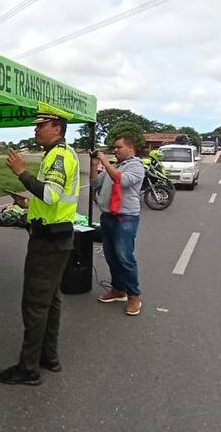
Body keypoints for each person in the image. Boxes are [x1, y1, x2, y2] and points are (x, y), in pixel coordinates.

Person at [0, 102, 80, 386]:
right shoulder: (60, 154)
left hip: (48, 243)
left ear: (57, 128)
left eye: (41, 125)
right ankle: (48, 356)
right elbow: (49, 201)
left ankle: (28, 368)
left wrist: (21, 173)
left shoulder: (57, 156)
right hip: (58, 238)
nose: (36, 129)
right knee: (51, 302)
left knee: (34, 304)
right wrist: (27, 202)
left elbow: (52, 195)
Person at [91, 135, 145, 315]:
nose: (115, 150)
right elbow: (94, 183)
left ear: (130, 148)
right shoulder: (114, 166)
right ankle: (118, 289)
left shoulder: (136, 166)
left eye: (119, 147)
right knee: (111, 256)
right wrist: (93, 165)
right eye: (114, 147)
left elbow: (121, 180)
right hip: (108, 216)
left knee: (125, 257)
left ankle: (134, 296)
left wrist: (105, 162)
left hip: (125, 218)